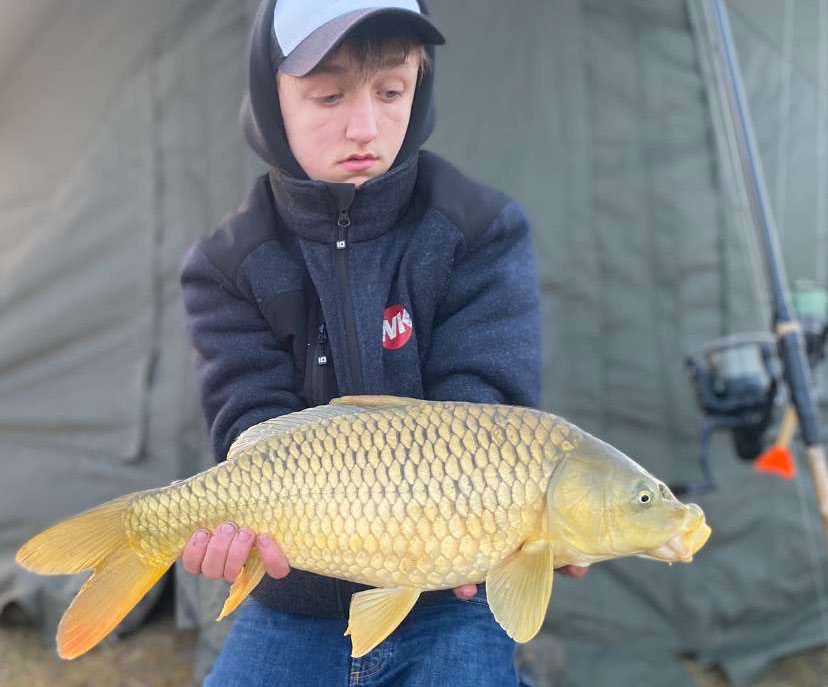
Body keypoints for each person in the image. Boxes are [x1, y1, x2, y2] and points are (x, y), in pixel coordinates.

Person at [179, 1, 586, 685]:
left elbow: (483, 414)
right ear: (269, 97)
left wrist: (485, 534)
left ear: (419, 88)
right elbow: (251, 427)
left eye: (391, 91)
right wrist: (237, 533)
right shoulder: (227, 262)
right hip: (294, 598)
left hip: (449, 599)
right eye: (329, 94)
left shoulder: (479, 229)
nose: (365, 125)